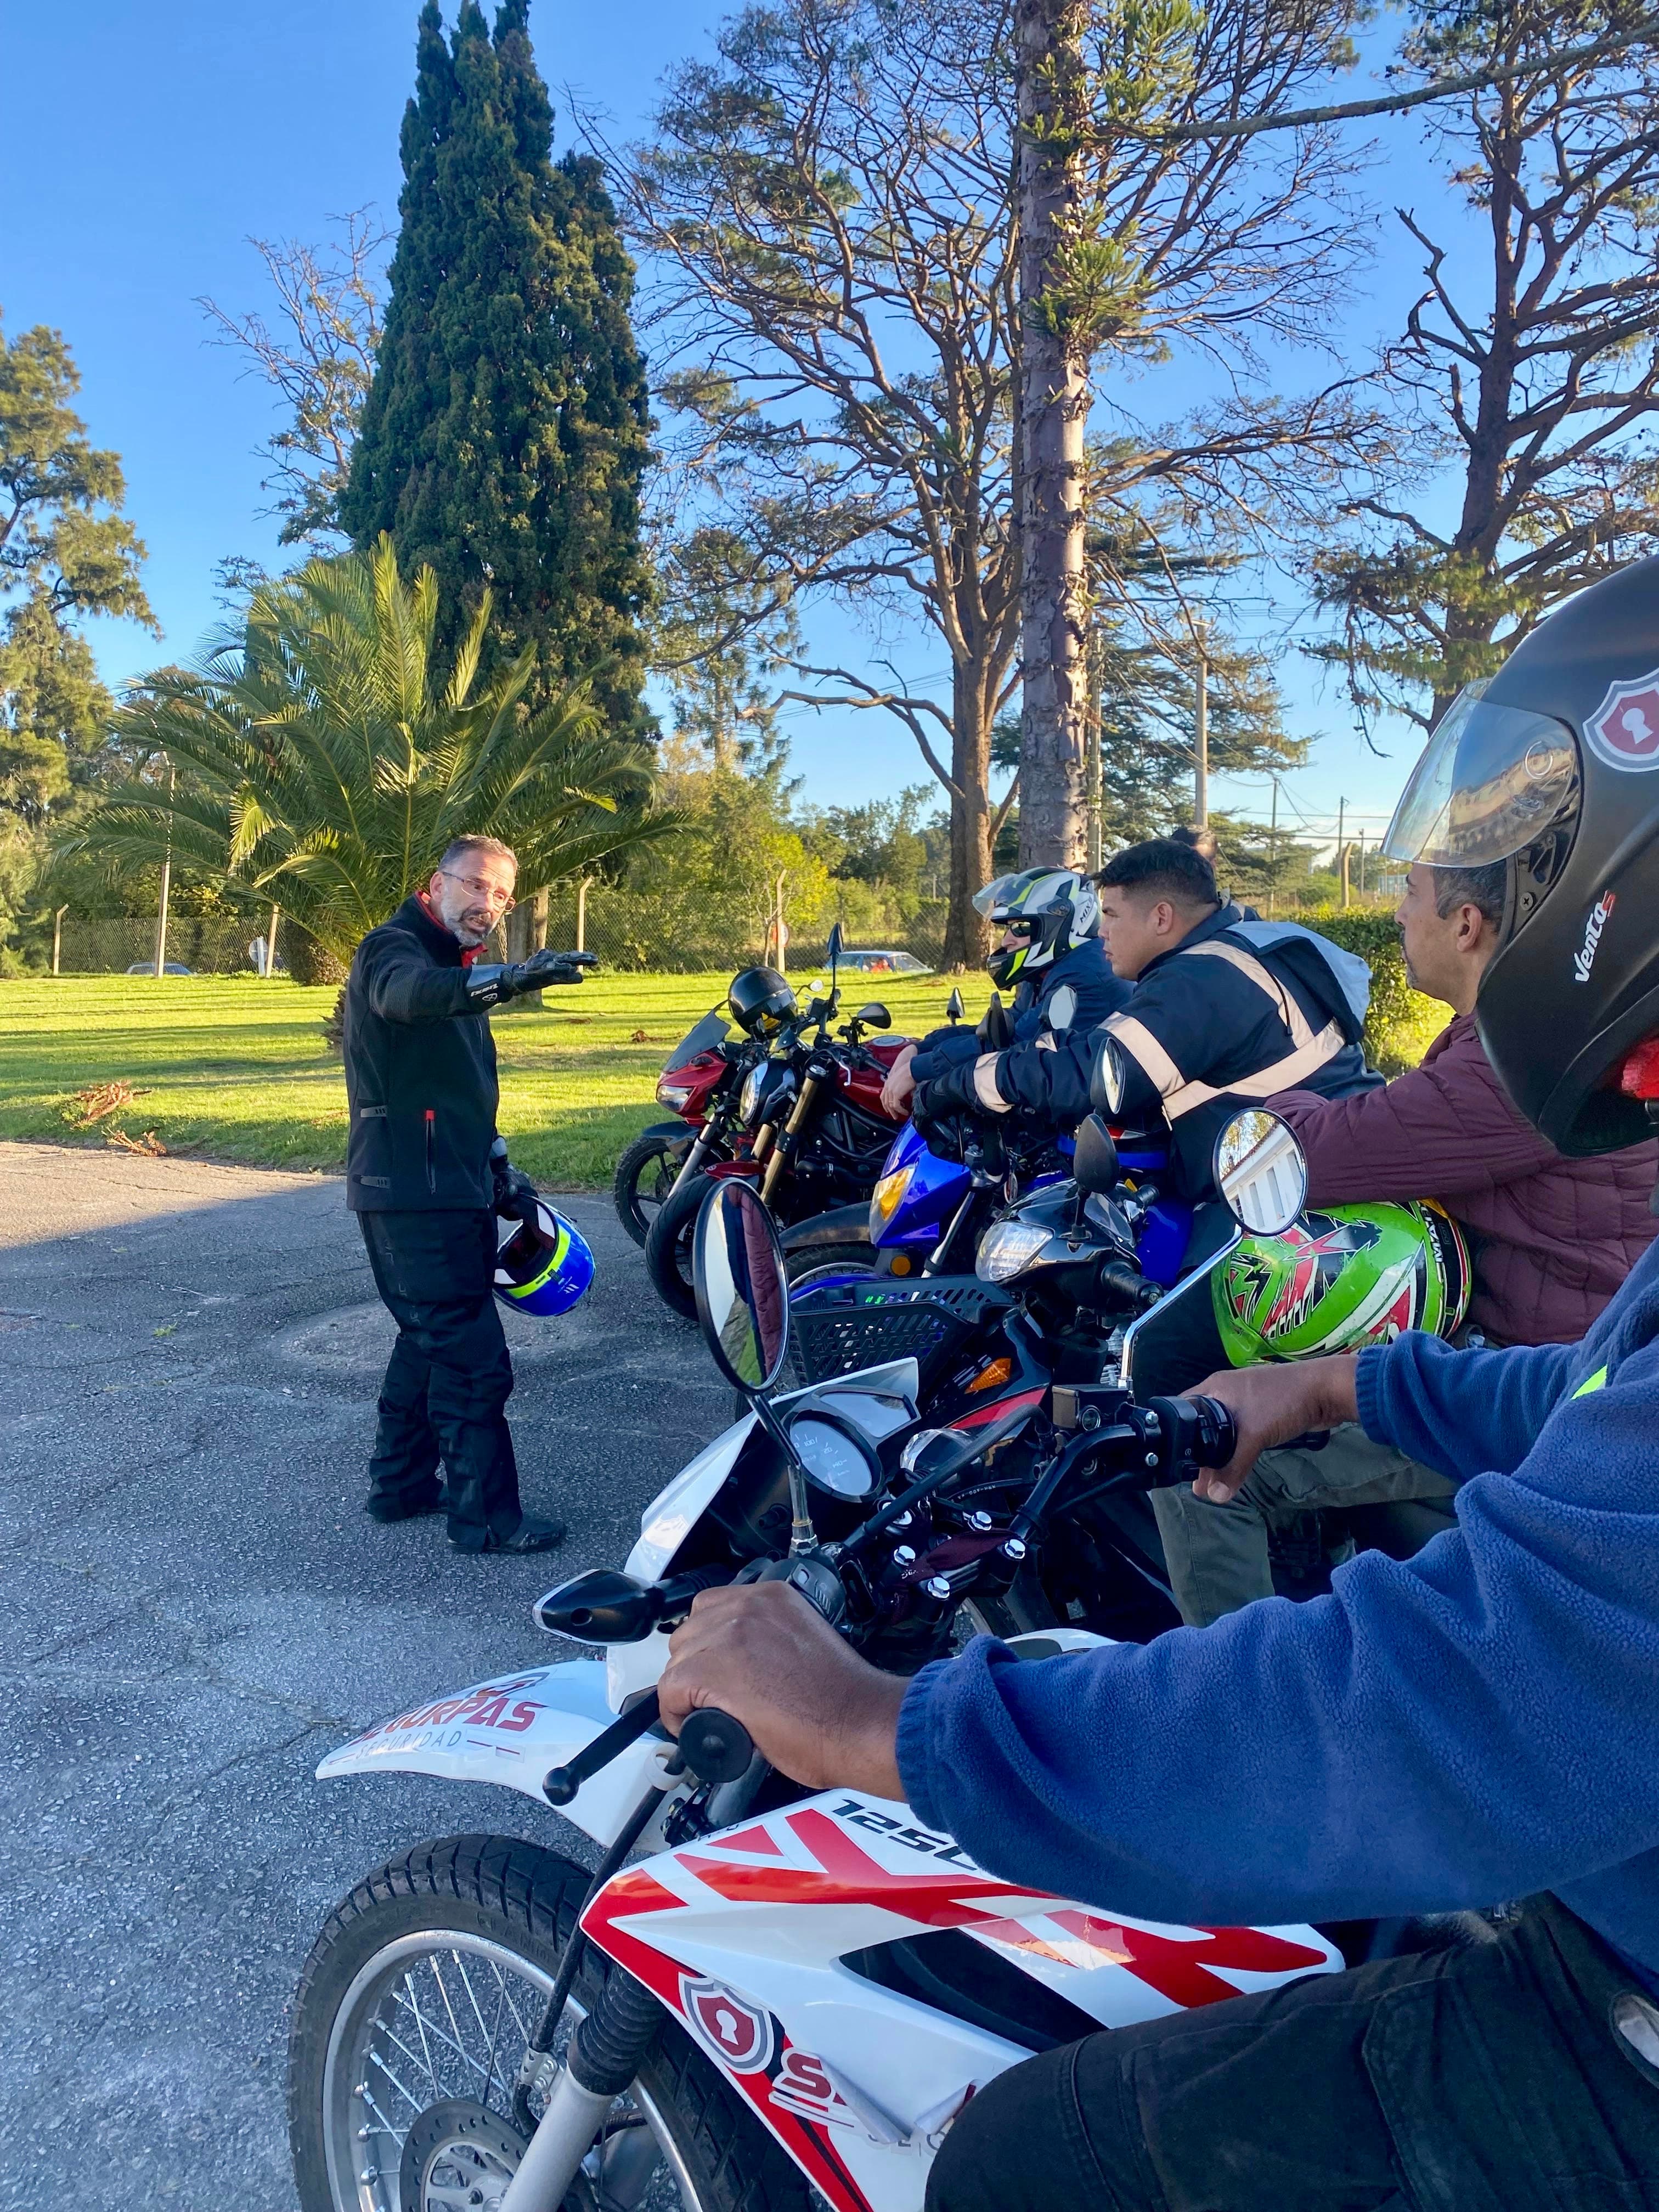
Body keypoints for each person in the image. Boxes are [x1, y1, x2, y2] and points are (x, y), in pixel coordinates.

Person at [659, 554, 1659, 2210]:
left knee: (1022, 2160)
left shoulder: (1284, 1010)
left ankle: (1213, 1684)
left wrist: (874, 1722)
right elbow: (1606, 1399)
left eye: (1470, 865)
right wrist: (1341, 1389)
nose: (1435, 902)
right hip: (1595, 1844)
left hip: (1619, 2030)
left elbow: (1423, 1703)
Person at [1154, 854, 1659, 1627]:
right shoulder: (1520, 1033)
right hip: (1534, 1349)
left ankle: (1249, 1692)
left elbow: (1311, 1156)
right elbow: (1388, 1125)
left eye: (1412, 894)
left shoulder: (1516, 1059)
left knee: (1201, 1461)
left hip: (1522, 1381)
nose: (1396, 913)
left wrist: (1277, 1106)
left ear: (1466, 925)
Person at [343, 835, 588, 1555]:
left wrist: (500, 1167)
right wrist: (508, 980)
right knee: (472, 1360)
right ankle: (485, 1519)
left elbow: (462, 1092)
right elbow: (404, 997)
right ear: (437, 883)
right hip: (412, 1194)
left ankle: (400, 1485)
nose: (489, 903)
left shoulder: (456, 965)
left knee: (429, 1341)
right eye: (476, 885)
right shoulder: (394, 950)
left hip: (454, 1183)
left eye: (502, 894)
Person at [917, 839, 1380, 1202]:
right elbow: (1101, 1043)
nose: (1101, 932)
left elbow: (1094, 1074)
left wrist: (959, 1085)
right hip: (1294, 1179)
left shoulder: (1206, 978)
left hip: (1290, 1209)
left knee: (1117, 1296)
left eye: (1112, 915)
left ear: (1161, 917)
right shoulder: (1236, 950)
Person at [879, 867, 1128, 1118]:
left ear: (1058, 922)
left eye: (1020, 927)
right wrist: (923, 1048)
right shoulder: (1051, 970)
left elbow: (1016, 1046)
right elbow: (1005, 1028)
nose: (1006, 941)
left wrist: (920, 1069)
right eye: (1008, 928)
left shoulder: (1082, 978)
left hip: (1098, 1123)